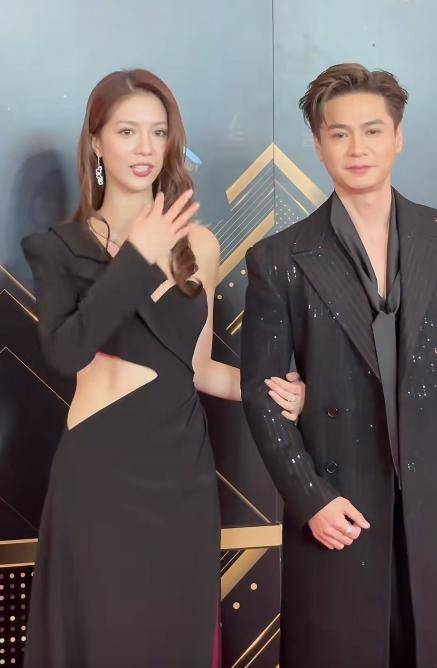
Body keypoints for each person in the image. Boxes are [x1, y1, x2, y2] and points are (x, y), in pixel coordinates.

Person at [21, 68, 304, 668]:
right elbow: (66, 352)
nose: (145, 147)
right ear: (96, 143)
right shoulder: (58, 247)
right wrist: (137, 258)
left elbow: (196, 368)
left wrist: (270, 390)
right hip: (99, 475)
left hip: (182, 475)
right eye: (127, 131)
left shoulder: (200, 246)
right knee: (102, 638)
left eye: (157, 131)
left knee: (174, 640)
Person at [241, 63, 437, 668]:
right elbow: (261, 394)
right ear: (318, 143)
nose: (358, 148)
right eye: (339, 134)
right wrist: (312, 499)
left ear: (398, 137)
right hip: (340, 508)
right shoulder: (279, 257)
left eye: (373, 131)